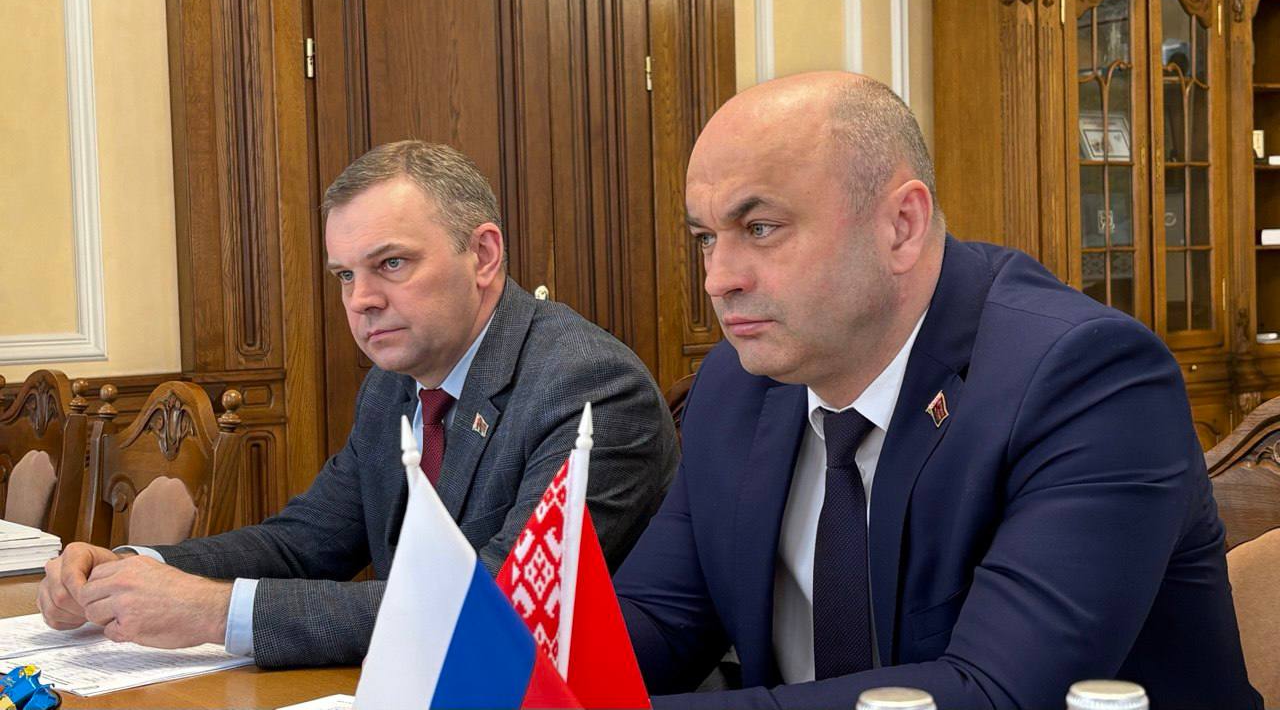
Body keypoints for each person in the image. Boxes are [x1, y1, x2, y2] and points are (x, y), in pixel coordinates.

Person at [612, 72, 1260, 709]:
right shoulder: (738, 385)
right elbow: (662, 617)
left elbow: (996, 693)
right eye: (706, 238)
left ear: (901, 225)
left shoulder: (1089, 380)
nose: (718, 279)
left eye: (760, 228)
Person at [38, 140, 679, 667]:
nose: (361, 299)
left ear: (483, 255)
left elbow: (497, 606)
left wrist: (213, 612)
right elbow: (306, 543)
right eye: (345, 274)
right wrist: (130, 569)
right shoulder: (393, 385)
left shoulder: (586, 386)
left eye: (391, 264)